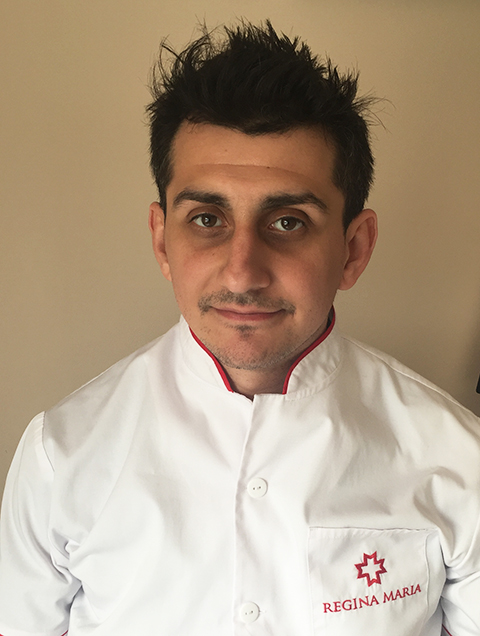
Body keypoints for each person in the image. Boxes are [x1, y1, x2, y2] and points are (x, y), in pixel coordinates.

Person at [0, 20, 479, 636]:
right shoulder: (61, 455)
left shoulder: (458, 457)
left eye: (288, 222)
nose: (242, 272)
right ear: (162, 241)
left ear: (354, 249)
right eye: (207, 218)